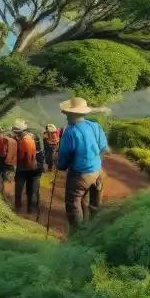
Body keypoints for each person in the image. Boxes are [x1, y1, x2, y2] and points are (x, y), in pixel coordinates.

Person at [56, 96, 109, 229]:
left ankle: (78, 233)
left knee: (73, 202)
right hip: (98, 172)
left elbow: (64, 158)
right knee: (94, 204)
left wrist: (61, 165)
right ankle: (96, 229)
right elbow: (103, 147)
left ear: (71, 114)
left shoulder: (70, 132)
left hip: (80, 174)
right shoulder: (95, 126)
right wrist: (96, 164)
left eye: (67, 114)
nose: (66, 116)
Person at [12, 119, 43, 214]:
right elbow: (41, 151)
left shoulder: (21, 140)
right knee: (33, 190)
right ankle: (32, 210)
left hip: (23, 168)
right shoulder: (36, 136)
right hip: (36, 167)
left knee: (19, 187)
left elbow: (19, 155)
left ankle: (17, 208)